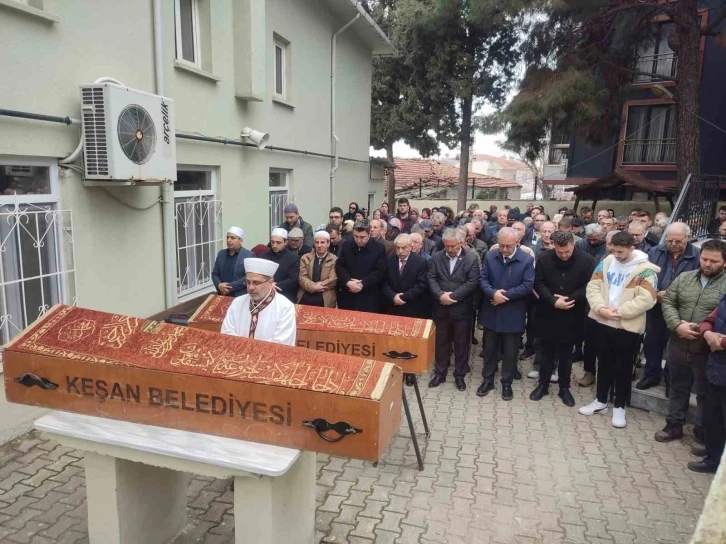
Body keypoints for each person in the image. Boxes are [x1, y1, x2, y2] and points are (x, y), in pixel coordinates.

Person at [580, 231, 659, 428]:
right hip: (603, 321)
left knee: (623, 368)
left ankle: (619, 407)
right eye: (613, 250)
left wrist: (621, 312)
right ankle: (600, 401)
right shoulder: (606, 262)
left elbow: (647, 299)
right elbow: (593, 287)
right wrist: (600, 309)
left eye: (621, 252)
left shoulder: (646, 270)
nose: (617, 255)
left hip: (627, 326)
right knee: (603, 363)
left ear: (632, 248)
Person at [654, 239, 726, 446]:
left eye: (714, 261)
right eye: (704, 259)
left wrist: (701, 330)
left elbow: (719, 316)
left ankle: (702, 433)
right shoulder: (685, 277)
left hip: (706, 350)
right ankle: (674, 425)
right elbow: (668, 301)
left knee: (704, 394)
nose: (707, 264)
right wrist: (677, 326)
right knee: (677, 386)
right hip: (677, 343)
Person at [529, 231, 595, 407]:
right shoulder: (544, 258)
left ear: (573, 244)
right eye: (560, 252)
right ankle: (542, 385)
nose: (564, 255)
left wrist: (569, 299)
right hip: (548, 312)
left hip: (573, 312)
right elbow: (538, 283)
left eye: (567, 251)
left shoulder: (587, 260)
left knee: (566, 354)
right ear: (554, 246)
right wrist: (553, 301)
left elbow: (589, 285)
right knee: (546, 352)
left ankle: (564, 388)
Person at [636, 223, 700, 391]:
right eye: (669, 240)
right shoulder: (655, 251)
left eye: (677, 240)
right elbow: (644, 276)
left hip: (681, 310)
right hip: (656, 306)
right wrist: (655, 293)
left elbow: (698, 285)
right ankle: (651, 375)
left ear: (687, 237)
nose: (672, 244)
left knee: (675, 347)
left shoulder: (697, 256)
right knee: (652, 343)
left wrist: (672, 297)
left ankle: (671, 381)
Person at [477, 227, 535, 400]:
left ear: (517, 242)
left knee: (510, 352)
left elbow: (527, 285)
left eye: (508, 246)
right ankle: (487, 380)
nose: (504, 249)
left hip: (513, 313)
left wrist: (505, 296)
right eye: (501, 245)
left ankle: (507, 383)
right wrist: (493, 293)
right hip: (491, 310)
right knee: (489, 349)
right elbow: (483, 279)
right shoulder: (490, 255)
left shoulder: (526, 260)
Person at [428, 228, 480, 391]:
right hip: (441, 308)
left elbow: (472, 282)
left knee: (461, 343)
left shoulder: (471, 259)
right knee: (441, 342)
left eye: (453, 246)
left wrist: (453, 296)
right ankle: (440, 373)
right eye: (447, 246)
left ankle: (460, 375)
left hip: (461, 309)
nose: (449, 250)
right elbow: (431, 278)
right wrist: (440, 295)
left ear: (461, 243)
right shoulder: (436, 257)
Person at [221, 257, 296, 345]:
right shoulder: (237, 302)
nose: (250, 288)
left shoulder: (285, 307)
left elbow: (281, 345)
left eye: (256, 283)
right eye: (248, 282)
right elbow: (226, 334)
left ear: (270, 282)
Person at [690, 294, 726, 473]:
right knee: (714, 420)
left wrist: (722, 342)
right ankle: (713, 461)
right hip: (717, 371)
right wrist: (709, 334)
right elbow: (709, 320)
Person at [335, 221, 387, 313]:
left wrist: (362, 283)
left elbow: (380, 271)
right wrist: (348, 282)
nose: (358, 240)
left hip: (368, 296)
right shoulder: (346, 245)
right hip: (347, 295)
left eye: (362, 237)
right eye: (356, 236)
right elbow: (340, 266)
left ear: (369, 234)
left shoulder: (379, 248)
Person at [382, 233, 430, 320]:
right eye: (398, 247)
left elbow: (421, 285)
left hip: (411, 307)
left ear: (410, 247)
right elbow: (384, 282)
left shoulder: (420, 262)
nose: (400, 251)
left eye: (404, 248)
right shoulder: (389, 260)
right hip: (392, 306)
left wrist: (402, 297)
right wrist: (393, 296)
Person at [297, 230, 338, 308]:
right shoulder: (305, 258)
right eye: (317, 242)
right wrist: (313, 287)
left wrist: (320, 286)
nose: (319, 245)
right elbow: (302, 277)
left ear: (328, 244)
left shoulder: (334, 259)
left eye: (322, 242)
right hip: (306, 294)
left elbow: (333, 279)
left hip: (325, 296)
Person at [260, 228, 301, 303]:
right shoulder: (263, 256)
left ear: (286, 242)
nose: (275, 245)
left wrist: (275, 286)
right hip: (264, 295)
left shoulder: (293, 258)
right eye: (272, 242)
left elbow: (293, 280)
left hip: (284, 296)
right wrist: (268, 285)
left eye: (278, 243)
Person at [212, 226, 254, 297]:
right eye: (227, 237)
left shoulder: (249, 255)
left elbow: (249, 276)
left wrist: (228, 287)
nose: (229, 240)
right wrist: (219, 285)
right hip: (222, 294)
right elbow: (215, 274)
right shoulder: (221, 254)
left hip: (240, 295)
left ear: (240, 241)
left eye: (232, 238)